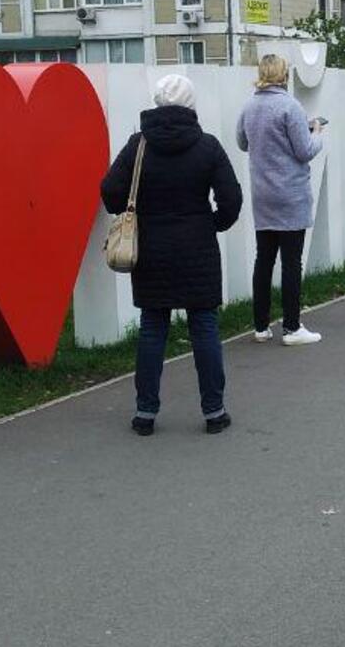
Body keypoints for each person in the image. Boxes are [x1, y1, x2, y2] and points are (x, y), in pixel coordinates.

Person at [105, 74, 243, 436]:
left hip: (151, 249)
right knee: (204, 327)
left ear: (156, 104)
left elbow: (109, 192)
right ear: (191, 105)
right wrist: (212, 223)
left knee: (153, 329)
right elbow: (232, 200)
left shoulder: (139, 146)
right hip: (198, 247)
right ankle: (214, 412)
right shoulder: (208, 146)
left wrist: (136, 209)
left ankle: (145, 414)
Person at [234, 54, 324, 347]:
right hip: (291, 193)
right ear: (283, 76)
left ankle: (260, 326)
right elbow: (304, 151)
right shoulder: (290, 106)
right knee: (291, 262)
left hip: (263, 193)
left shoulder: (249, 107)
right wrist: (317, 133)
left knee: (264, 259)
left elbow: (242, 142)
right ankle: (292, 327)